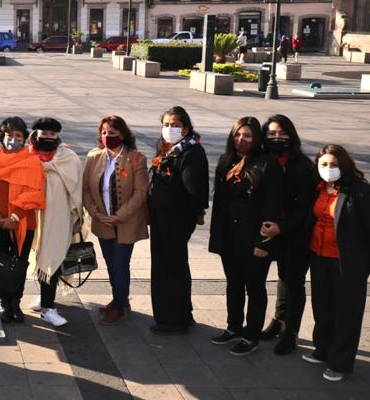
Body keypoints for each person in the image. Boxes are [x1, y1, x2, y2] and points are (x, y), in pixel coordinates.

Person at [208, 117, 282, 356]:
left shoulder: (267, 164)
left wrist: (263, 243)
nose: (241, 140)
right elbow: (220, 203)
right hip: (229, 236)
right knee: (234, 284)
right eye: (238, 135)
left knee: (255, 287)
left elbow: (272, 206)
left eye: (248, 136)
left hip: (254, 238)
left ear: (257, 139)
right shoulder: (226, 161)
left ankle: (252, 334)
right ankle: (233, 327)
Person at [305, 145, 370, 381]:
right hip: (319, 257)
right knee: (323, 307)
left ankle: (340, 362)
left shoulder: (363, 193)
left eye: (334, 164)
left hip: (348, 262)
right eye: (324, 164)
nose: (328, 169)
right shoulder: (317, 189)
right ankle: (323, 350)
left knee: (347, 312)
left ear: (345, 166)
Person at [147, 107, 209, 335]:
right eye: (166, 124)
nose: (169, 129)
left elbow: (195, 192)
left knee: (172, 268)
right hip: (161, 219)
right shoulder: (167, 149)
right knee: (168, 266)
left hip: (176, 221)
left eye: (175, 125)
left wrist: (184, 219)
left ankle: (174, 319)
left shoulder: (191, 152)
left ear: (186, 127)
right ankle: (177, 313)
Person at [258, 115, 317, 355]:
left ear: (291, 135)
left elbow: (305, 208)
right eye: (271, 134)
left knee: (293, 282)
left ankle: (290, 332)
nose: (276, 138)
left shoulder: (303, 166)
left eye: (282, 133)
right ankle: (278, 320)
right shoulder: (262, 160)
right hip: (271, 231)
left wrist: (283, 227)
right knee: (282, 278)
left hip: (296, 232)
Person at [82, 115, 149, 326]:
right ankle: (118, 300)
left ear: (122, 134)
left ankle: (119, 307)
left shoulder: (136, 158)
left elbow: (140, 192)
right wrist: (96, 213)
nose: (107, 136)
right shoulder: (94, 157)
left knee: (120, 265)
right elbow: (85, 189)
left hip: (126, 223)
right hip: (103, 221)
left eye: (112, 132)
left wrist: (119, 216)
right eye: (103, 132)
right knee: (111, 265)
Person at [0, 117, 46, 323]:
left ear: (24, 138)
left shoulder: (32, 162)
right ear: (2, 137)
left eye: (18, 135)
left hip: (23, 223)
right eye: (9, 135)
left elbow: (36, 193)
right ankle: (2, 301)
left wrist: (15, 217)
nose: (13, 139)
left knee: (19, 262)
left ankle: (15, 301)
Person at [27, 117, 84, 328]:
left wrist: (78, 217)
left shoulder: (67, 157)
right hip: (30, 216)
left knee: (53, 258)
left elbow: (77, 188)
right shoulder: (26, 156)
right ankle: (43, 299)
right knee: (36, 256)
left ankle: (48, 309)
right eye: (44, 133)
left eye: (53, 134)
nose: (49, 138)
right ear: (36, 134)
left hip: (58, 217)